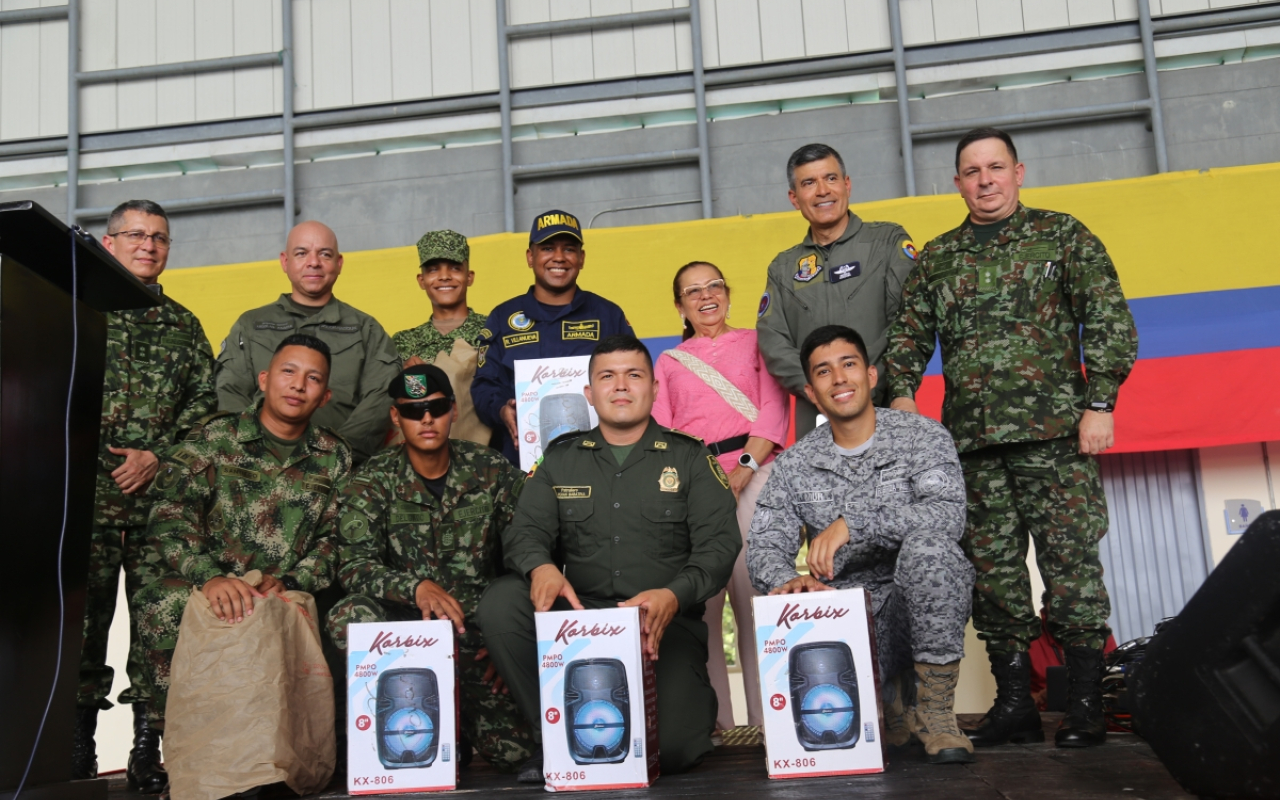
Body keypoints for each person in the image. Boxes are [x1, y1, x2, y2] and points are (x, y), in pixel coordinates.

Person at [885, 127, 1139, 749]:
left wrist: (1099, 403)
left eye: (996, 168)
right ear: (957, 183)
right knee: (993, 578)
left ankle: (1083, 706)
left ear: (1019, 172)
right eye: (972, 172)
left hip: (1056, 435)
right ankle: (1015, 703)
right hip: (971, 444)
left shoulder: (1063, 234)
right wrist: (900, 402)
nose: (985, 180)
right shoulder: (939, 257)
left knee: (1071, 569)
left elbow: (1107, 318)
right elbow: (906, 342)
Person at [476, 335, 741, 782]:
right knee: (502, 601)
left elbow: (720, 546)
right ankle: (556, 738)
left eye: (634, 375)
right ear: (589, 393)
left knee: (674, 751)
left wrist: (674, 596)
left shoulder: (691, 457)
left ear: (654, 389)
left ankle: (690, 706)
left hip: (661, 625)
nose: (621, 386)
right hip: (580, 622)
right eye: (607, 377)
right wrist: (540, 567)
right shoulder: (561, 461)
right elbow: (524, 532)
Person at [747, 325, 976, 764]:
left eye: (849, 365)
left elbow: (947, 516)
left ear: (871, 375)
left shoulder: (921, 436)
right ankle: (889, 698)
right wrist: (789, 581)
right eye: (823, 372)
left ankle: (936, 713)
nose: (839, 379)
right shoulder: (796, 463)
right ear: (812, 393)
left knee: (931, 551)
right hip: (848, 621)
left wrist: (855, 523)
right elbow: (763, 547)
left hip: (918, 606)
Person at [134, 335, 352, 766]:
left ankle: (310, 750)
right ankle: (166, 744)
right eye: (288, 372)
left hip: (284, 588)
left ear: (324, 395)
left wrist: (293, 582)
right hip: (212, 580)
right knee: (160, 600)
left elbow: (337, 539)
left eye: (312, 379)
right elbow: (169, 515)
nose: (297, 385)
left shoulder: (334, 457)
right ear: (265, 379)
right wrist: (208, 576)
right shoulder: (214, 438)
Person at [72, 200, 218, 792]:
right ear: (108, 244)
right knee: (82, 624)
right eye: (135, 235)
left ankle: (146, 748)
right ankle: (75, 743)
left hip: (160, 504)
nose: (148, 246)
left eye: (159, 238)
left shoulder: (183, 325)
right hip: (84, 501)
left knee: (161, 627)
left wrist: (158, 457)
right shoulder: (74, 312)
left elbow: (204, 412)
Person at [326, 364, 536, 772]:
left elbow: (530, 548)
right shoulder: (372, 481)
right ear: (395, 417)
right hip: (408, 642)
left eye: (436, 408)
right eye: (412, 410)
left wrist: (507, 644)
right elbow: (353, 566)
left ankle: (459, 730)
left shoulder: (489, 469)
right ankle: (418, 724)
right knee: (347, 614)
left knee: (516, 754)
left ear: (453, 411)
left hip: (476, 636)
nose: (425, 419)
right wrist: (415, 587)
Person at [650, 261, 789, 733]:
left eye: (714, 286)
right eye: (693, 291)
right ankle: (716, 724)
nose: (706, 296)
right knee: (702, 605)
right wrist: (697, 485)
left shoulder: (756, 341)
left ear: (728, 293)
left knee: (755, 596)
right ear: (680, 305)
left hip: (757, 470)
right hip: (694, 485)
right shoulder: (668, 362)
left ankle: (767, 720)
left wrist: (743, 470)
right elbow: (663, 431)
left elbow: (774, 407)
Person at [756, 143, 920, 438]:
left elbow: (907, 321)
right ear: (794, 198)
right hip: (817, 421)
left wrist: (863, 385)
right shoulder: (782, 268)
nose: (822, 191)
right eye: (809, 183)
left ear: (847, 185)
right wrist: (823, 390)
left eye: (831, 178)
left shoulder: (886, 242)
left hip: (886, 409)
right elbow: (774, 344)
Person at [215, 221, 400, 462]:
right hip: (257, 469)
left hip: (340, 472)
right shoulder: (251, 325)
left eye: (325, 254)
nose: (314, 262)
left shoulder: (366, 329)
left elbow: (381, 397)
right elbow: (229, 391)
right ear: (285, 261)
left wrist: (334, 456)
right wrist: (258, 452)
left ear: (339, 263)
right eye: (301, 253)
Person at [471, 209, 633, 465]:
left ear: (581, 258)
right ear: (530, 256)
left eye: (569, 249)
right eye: (547, 248)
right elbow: (484, 385)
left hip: (603, 462)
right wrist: (501, 409)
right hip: (522, 464)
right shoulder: (503, 318)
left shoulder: (608, 315)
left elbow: (633, 378)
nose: (559, 257)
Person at [390, 230, 492, 446]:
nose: (444, 276)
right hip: (420, 460)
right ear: (421, 280)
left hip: (483, 459)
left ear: (469, 276)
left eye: (455, 268)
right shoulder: (404, 342)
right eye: (433, 270)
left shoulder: (492, 329)